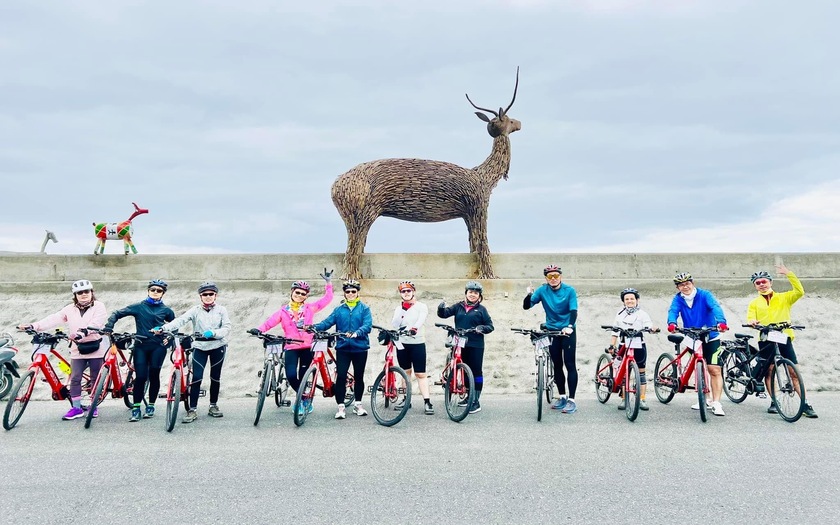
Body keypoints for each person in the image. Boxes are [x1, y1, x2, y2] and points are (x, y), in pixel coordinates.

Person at [18, 279, 108, 421]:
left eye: (86, 291)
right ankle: (76, 408)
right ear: (75, 295)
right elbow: (53, 319)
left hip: (95, 346)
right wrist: (34, 326)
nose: (83, 294)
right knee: (75, 378)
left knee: (95, 378)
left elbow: (97, 322)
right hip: (77, 348)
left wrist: (83, 332)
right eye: (80, 292)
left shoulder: (99, 306)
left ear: (92, 292)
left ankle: (93, 405)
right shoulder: (69, 309)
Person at [250, 269, 334, 416]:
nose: (299, 295)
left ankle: (301, 401)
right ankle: (303, 397)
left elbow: (327, 299)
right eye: (297, 292)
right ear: (292, 292)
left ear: (306, 296)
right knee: (290, 375)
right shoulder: (283, 311)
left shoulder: (310, 308)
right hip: (291, 347)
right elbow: (270, 322)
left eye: (303, 294)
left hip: (307, 346)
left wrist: (328, 283)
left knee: (303, 375)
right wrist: (259, 330)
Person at [746, 265, 817, 418]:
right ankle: (774, 401)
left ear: (770, 282)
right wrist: (752, 322)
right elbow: (750, 317)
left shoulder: (784, 297)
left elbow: (799, 291)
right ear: (755, 286)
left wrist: (789, 274)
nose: (761, 285)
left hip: (783, 336)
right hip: (765, 338)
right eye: (758, 283)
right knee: (769, 371)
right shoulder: (754, 303)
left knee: (793, 372)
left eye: (764, 281)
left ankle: (805, 404)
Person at [155, 281, 231, 423]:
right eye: (204, 294)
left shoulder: (222, 310)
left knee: (215, 377)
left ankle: (213, 405)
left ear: (215, 295)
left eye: (211, 294)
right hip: (200, 346)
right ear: (200, 296)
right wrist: (164, 328)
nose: (208, 296)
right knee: (196, 377)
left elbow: (227, 327)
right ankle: (192, 409)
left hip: (218, 346)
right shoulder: (195, 310)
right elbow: (181, 320)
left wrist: (214, 332)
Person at [104, 279, 175, 422]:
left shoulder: (166, 310)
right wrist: (109, 326)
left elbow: (175, 325)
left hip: (158, 346)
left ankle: (151, 406)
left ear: (163, 293)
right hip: (141, 345)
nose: (155, 292)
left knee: (154, 374)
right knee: (141, 377)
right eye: (153, 290)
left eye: (159, 290)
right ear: (148, 291)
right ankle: (136, 408)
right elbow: (116, 313)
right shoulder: (139, 307)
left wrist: (169, 338)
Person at [667, 272, 728, 416]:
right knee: (699, 367)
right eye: (681, 285)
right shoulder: (678, 299)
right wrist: (672, 323)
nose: (685, 287)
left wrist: (721, 322)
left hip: (710, 336)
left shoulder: (705, 295)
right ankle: (705, 398)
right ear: (677, 287)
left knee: (714, 369)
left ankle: (716, 403)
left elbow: (715, 307)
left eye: (687, 283)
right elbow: (673, 311)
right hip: (692, 337)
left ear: (692, 283)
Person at [311, 279, 372, 419]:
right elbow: (327, 322)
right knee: (341, 377)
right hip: (343, 348)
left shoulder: (364, 309)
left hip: (360, 348)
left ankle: (358, 405)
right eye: (347, 291)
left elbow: (367, 325)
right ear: (344, 293)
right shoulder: (339, 310)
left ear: (357, 293)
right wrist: (313, 327)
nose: (350, 294)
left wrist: (357, 333)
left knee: (359, 376)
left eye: (353, 291)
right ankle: (340, 407)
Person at [523, 265, 579, 414]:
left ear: (560, 276)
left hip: (567, 331)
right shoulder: (542, 290)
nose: (553, 278)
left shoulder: (569, 290)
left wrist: (570, 326)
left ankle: (572, 400)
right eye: (550, 276)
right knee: (557, 365)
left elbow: (574, 311)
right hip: (552, 330)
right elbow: (526, 306)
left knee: (570, 364)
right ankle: (562, 396)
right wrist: (529, 295)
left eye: (556, 275)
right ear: (546, 278)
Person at [437, 280, 494, 413]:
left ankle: (475, 401)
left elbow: (490, 326)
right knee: (463, 370)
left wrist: (481, 328)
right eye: (470, 292)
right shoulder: (459, 306)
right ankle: (467, 396)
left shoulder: (482, 310)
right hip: (459, 342)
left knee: (476, 372)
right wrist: (441, 308)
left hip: (475, 344)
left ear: (479, 296)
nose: (472, 295)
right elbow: (444, 314)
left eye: (476, 293)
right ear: (466, 293)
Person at [607, 288, 659, 411]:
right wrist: (612, 345)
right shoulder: (620, 314)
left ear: (637, 300)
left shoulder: (642, 314)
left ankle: (642, 399)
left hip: (639, 345)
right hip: (623, 344)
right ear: (623, 301)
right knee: (624, 373)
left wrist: (652, 329)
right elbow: (615, 331)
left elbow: (648, 325)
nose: (629, 301)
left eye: (632, 298)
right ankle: (624, 398)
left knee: (641, 373)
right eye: (627, 299)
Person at [390, 280, 433, 415]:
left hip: (417, 343)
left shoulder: (421, 306)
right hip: (402, 344)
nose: (406, 293)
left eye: (408, 290)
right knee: (405, 373)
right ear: (400, 294)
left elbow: (421, 319)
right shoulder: (399, 308)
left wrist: (414, 328)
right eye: (403, 291)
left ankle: (427, 401)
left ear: (413, 291)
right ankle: (406, 399)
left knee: (420, 373)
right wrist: (403, 310)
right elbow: (395, 324)